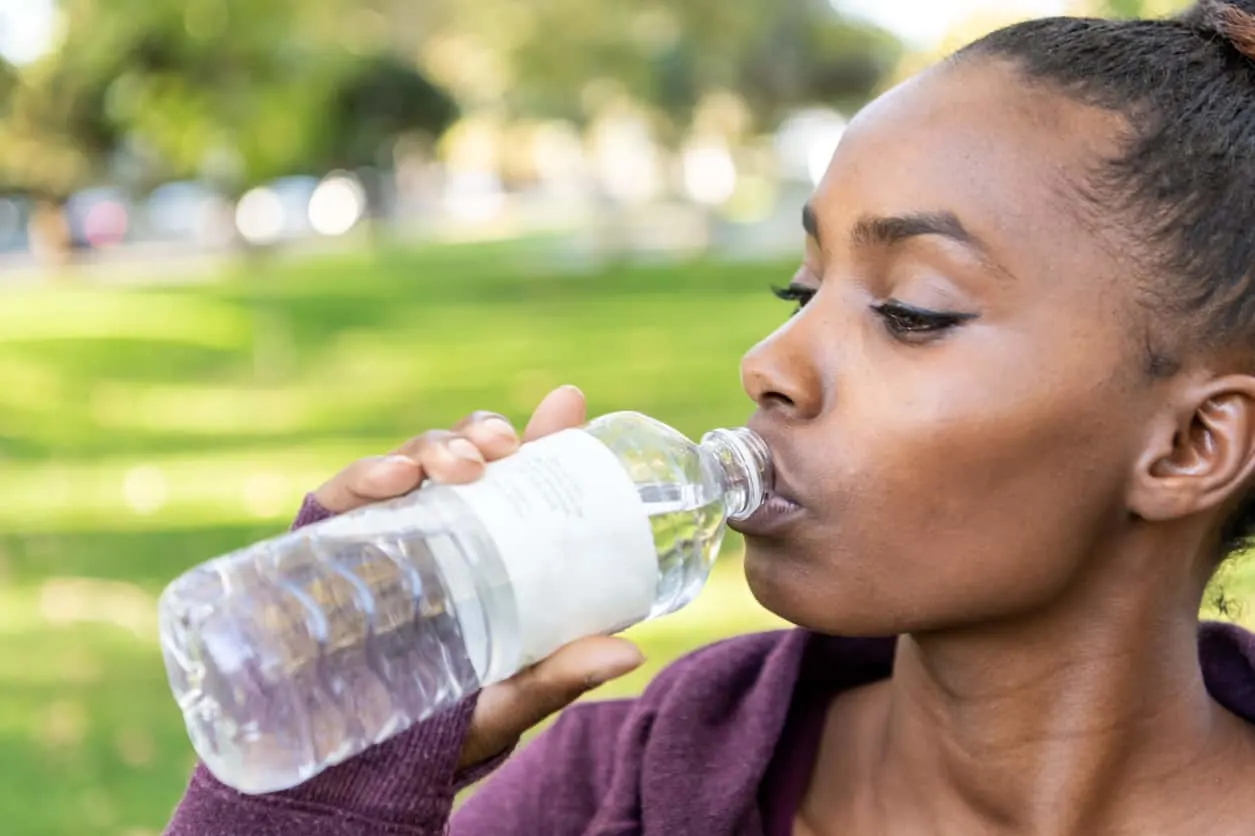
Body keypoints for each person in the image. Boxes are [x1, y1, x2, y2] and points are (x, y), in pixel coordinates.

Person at [164, 1, 1255, 833]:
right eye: (798, 289)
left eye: (911, 311)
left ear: (1191, 443)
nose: (768, 362)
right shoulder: (621, 788)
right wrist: (324, 774)